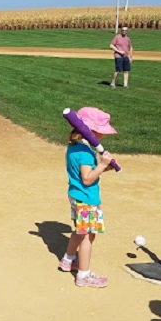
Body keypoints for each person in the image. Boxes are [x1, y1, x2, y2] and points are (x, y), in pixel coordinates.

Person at [58, 106, 117, 288]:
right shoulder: (85, 152)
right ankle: (84, 275)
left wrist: (104, 168)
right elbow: (87, 178)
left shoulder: (75, 148)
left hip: (76, 195)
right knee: (88, 237)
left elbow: (87, 173)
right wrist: (103, 163)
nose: (102, 135)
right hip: (86, 199)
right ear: (90, 131)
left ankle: (68, 259)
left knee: (79, 230)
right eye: (100, 132)